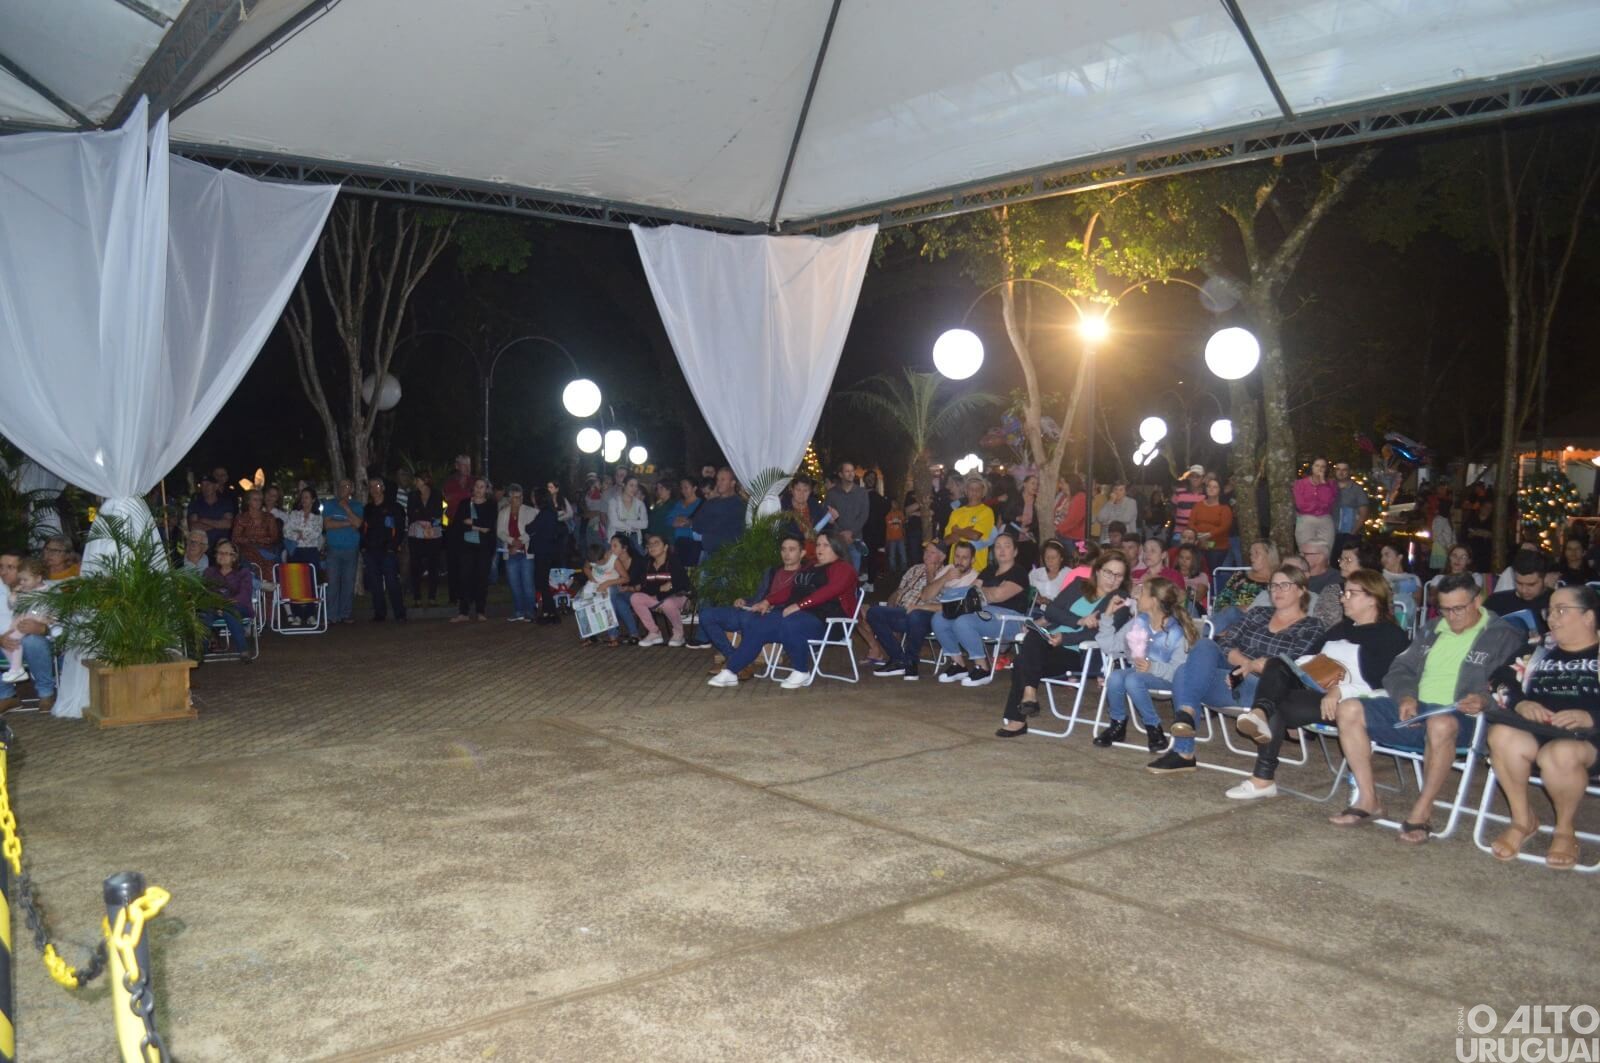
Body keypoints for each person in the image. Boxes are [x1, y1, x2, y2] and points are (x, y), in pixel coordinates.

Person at [1328, 573, 1523, 842]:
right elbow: (1399, 670)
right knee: (1348, 708)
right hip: (1416, 709)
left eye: (1459, 608)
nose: (1451, 616)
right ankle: (1368, 799)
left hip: (1464, 718)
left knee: (1440, 723)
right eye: (1445, 609)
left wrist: (1485, 701)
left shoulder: (1503, 635)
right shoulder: (1432, 629)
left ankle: (1422, 811)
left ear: (1477, 601)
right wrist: (1407, 697)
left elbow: (1514, 684)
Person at [1226, 568, 1411, 798]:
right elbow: (1304, 656)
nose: (1343, 599)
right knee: (1277, 665)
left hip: (1348, 702)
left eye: (1350, 594)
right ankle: (1260, 713)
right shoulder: (1341, 628)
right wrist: (1309, 669)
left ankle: (1263, 777)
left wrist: (1339, 690)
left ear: (1373, 598)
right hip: (1313, 688)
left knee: (1278, 702)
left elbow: (1384, 686)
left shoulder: (1391, 636)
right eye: (1344, 593)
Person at [1150, 565, 1324, 774]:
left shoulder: (1312, 626)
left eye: (1284, 585)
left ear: (1302, 590)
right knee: (1205, 645)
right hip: (1232, 672)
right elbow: (1226, 643)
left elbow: (1295, 663)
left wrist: (1253, 666)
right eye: (1273, 585)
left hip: (1266, 688)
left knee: (1183, 673)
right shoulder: (1258, 613)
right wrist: (1244, 663)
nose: (1276, 590)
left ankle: (1183, 750)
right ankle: (1186, 715)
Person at [1483, 585, 1600, 869]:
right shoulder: (1539, 648)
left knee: (1558, 755)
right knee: (1501, 735)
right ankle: (1523, 821)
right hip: (1538, 732)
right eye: (1550, 611)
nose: (1552, 618)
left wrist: (1591, 716)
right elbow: (1498, 679)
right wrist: (1520, 703)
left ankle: (1564, 830)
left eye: (1562, 610)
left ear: (1588, 617)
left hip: (1587, 741)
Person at [995, 552, 1130, 737]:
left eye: (1119, 575)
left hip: (1078, 654)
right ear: (1098, 571)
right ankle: (1029, 696)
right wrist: (1079, 620)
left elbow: (1101, 632)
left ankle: (1021, 713)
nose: (1112, 579)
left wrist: (1065, 639)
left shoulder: (1120, 601)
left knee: (1021, 661)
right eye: (1108, 572)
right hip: (1050, 644)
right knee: (1034, 636)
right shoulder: (1079, 586)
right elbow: (1051, 611)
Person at [708, 532, 858, 690]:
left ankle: (801, 670)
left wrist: (800, 605)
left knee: (790, 622)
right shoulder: (811, 567)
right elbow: (790, 590)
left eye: (825, 545)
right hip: (800, 617)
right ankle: (732, 670)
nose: (820, 548)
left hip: (829, 621)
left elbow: (830, 590)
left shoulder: (844, 568)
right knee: (758, 623)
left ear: (837, 547)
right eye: (818, 544)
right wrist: (767, 601)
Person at [1093, 577, 1199, 754]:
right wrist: (1108, 615)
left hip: (1167, 678)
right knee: (1116, 677)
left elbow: (1180, 672)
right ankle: (1117, 725)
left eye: (1142, 593)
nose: (1136, 596)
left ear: (1153, 601)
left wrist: (1152, 668)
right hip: (1141, 674)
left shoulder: (1175, 633)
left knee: (1133, 679)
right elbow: (1110, 646)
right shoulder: (1138, 622)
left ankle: (1154, 728)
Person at [701, 533, 818, 681]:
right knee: (707, 615)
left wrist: (772, 607)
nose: (786, 554)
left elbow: (798, 602)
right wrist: (744, 600)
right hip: (753, 610)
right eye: (783, 549)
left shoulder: (805, 576)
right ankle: (736, 660)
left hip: (774, 615)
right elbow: (760, 596)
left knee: (750, 621)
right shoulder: (772, 571)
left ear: (802, 553)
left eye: (792, 549)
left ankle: (735, 664)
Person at [931, 532, 1028, 687]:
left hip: (1010, 619)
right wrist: (983, 593)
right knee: (940, 618)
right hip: (984, 613)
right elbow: (970, 592)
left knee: (964, 621)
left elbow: (998, 596)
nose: (1001, 550)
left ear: (1015, 551)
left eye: (1007, 546)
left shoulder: (1019, 572)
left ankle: (982, 667)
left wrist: (981, 593)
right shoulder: (988, 570)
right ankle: (958, 665)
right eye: (997, 546)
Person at [865, 539, 962, 680]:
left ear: (942, 557)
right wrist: (891, 607)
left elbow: (930, 597)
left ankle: (911, 662)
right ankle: (898, 659)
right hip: (903, 612)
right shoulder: (915, 568)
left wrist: (930, 572)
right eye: (926, 551)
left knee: (916, 615)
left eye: (932, 552)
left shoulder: (947, 573)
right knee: (874, 612)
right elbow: (898, 592)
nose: (927, 555)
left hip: (928, 616)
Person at [0, 552, 56, 712]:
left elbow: (62, 622)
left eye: (10, 567)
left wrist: (42, 629)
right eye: (1, 567)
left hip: (34, 643)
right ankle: (6, 697)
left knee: (32, 641)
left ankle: (46, 694)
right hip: (5, 645)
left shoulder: (46, 590)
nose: (3, 571)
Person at [629, 533, 691, 647]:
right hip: (657, 599)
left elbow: (682, 584)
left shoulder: (673, 562)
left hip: (678, 598)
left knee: (667, 603)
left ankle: (679, 634)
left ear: (665, 547)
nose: (652, 547)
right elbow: (644, 587)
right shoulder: (646, 563)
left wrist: (661, 593)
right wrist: (660, 590)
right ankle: (654, 632)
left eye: (656, 543)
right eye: (649, 544)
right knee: (635, 598)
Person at [360, 477, 407, 623]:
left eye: (377, 485)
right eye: (371, 486)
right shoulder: (368, 508)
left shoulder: (394, 507)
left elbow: (399, 529)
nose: (374, 489)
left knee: (392, 582)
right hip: (371, 552)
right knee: (375, 584)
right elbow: (364, 529)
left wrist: (393, 547)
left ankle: (400, 613)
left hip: (388, 551)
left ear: (383, 487)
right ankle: (380, 613)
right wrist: (363, 547)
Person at [451, 478, 496, 623]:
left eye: (482, 487)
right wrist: (479, 526)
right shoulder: (464, 504)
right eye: (477, 486)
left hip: (484, 547)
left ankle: (480, 611)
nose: (478, 489)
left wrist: (472, 523)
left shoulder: (491, 504)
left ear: (487, 490)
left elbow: (488, 526)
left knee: (482, 579)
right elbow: (458, 524)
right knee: (464, 578)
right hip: (466, 547)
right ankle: (463, 612)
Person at [1211, 539, 1280, 631]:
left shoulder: (1278, 581)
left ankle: (1206, 633)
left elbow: (1276, 607)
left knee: (1232, 612)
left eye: (1257, 553)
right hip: (1226, 619)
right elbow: (1221, 601)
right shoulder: (1240, 575)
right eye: (1251, 554)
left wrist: (1245, 608)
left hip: (1254, 623)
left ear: (1270, 556)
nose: (1252, 557)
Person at [321, 478, 363, 625]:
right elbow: (328, 525)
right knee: (333, 583)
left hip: (351, 548)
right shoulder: (329, 504)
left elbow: (358, 523)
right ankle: (332, 615)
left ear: (351, 489)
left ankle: (345, 614)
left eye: (347, 486)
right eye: (341, 486)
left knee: (348, 582)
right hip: (334, 548)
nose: (344, 488)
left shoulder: (357, 505)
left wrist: (346, 509)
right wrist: (348, 522)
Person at [202, 541, 253, 660]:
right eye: (219, 553)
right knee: (203, 614)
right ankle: (201, 651)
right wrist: (218, 606)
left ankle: (243, 650)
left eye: (225, 553)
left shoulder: (243, 572)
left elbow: (244, 595)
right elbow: (206, 593)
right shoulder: (209, 572)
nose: (221, 556)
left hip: (239, 607)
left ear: (234, 557)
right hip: (214, 607)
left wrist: (224, 606)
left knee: (229, 611)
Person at [1484, 552, 1552, 636]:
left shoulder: (1556, 601)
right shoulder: (1496, 601)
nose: (1524, 590)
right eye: (1519, 583)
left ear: (1545, 579)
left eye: (1531, 584)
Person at [526, 483, 566, 625]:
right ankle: (549, 611)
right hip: (548, 550)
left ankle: (551, 612)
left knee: (542, 582)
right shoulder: (551, 512)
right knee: (543, 582)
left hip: (543, 551)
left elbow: (530, 528)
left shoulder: (545, 513)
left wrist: (528, 527)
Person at [497, 484, 538, 622]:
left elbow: (532, 530)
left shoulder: (530, 511)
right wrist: (511, 541)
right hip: (510, 553)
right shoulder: (503, 513)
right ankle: (519, 610)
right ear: (509, 498)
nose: (518, 500)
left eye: (520, 497)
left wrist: (520, 541)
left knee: (528, 583)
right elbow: (500, 532)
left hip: (526, 552)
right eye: (515, 497)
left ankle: (530, 611)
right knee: (514, 584)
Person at [943, 474, 998, 570]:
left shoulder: (986, 511)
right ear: (966, 491)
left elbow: (975, 536)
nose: (974, 492)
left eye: (978, 489)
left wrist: (957, 531)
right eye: (971, 489)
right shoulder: (956, 512)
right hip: (954, 567)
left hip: (976, 568)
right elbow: (947, 540)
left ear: (983, 493)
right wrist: (966, 532)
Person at [406, 473, 445, 606]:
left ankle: (432, 597)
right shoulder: (412, 495)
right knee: (415, 565)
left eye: (417, 479)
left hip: (433, 533)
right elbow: (411, 513)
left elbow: (439, 512)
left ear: (425, 480)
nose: (415, 482)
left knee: (433, 565)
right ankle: (417, 597)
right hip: (416, 534)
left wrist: (428, 522)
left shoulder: (437, 494)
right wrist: (423, 520)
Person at [441, 454, 475, 605]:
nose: (467, 468)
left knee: (470, 561)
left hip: (471, 525)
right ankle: (454, 596)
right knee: (453, 562)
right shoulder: (449, 483)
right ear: (457, 466)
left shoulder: (475, 482)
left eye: (469, 465)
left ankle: (469, 595)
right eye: (464, 465)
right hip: (453, 526)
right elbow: (444, 504)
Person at [691, 468, 745, 561]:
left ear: (732, 483)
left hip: (728, 557)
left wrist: (709, 526)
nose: (718, 483)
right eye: (718, 479)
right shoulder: (710, 503)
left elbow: (722, 526)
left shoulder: (738, 503)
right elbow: (696, 525)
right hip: (707, 554)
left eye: (723, 479)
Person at [828, 462, 870, 574]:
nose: (851, 474)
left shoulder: (862, 493)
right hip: (838, 540)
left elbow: (864, 514)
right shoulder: (832, 493)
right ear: (841, 474)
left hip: (855, 539)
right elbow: (828, 514)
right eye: (847, 471)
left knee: (854, 573)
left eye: (852, 471)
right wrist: (841, 533)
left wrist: (851, 532)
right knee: (837, 573)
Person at [230, 490, 279, 579]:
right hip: (246, 551)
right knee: (248, 565)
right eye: (255, 499)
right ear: (248, 501)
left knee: (271, 566)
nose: (258, 502)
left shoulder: (269, 517)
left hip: (266, 551)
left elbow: (274, 537)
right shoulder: (241, 518)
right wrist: (251, 540)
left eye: (260, 499)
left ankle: (269, 590)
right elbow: (235, 538)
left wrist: (259, 540)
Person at [1292, 457, 1337, 551]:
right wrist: (1318, 506)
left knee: (1325, 551)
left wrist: (1323, 484)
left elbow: (1329, 502)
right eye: (1317, 466)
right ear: (1312, 467)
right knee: (1305, 550)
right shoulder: (1300, 484)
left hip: (1325, 519)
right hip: (1306, 519)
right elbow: (1300, 505)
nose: (1319, 469)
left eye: (1323, 466)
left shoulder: (1331, 484)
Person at [1189, 476, 1233, 571]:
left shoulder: (1224, 508)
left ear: (1220, 490)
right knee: (1197, 571)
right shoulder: (1198, 505)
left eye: (1215, 487)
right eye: (1209, 486)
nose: (1211, 489)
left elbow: (1225, 527)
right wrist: (1198, 535)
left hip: (1217, 546)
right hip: (1199, 544)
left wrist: (1209, 535)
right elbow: (1191, 522)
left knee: (1212, 572)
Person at [1378, 541, 1422, 630]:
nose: (1383, 559)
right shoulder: (1379, 577)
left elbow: (1416, 601)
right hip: (1384, 614)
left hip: (1406, 615)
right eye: (1382, 555)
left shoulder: (1413, 578)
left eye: (1387, 555)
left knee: (1404, 599)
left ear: (1399, 557)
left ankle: (1399, 628)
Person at [781, 476, 827, 558]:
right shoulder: (784, 506)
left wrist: (830, 522)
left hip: (815, 555)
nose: (801, 494)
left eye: (805, 490)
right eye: (798, 490)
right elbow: (782, 530)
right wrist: (802, 535)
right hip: (793, 556)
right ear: (792, 490)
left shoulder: (814, 505)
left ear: (810, 491)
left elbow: (824, 529)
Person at [186, 477, 235, 549]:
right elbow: (193, 527)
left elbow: (228, 524)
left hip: (221, 547)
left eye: (208, 484)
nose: (205, 487)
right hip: (200, 547)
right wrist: (218, 524)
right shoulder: (195, 503)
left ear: (216, 486)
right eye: (202, 485)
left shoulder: (225, 503)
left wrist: (203, 520)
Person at [1332, 461, 1370, 549]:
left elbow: (1363, 514)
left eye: (1344, 470)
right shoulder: (1329, 487)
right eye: (1338, 469)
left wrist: (1352, 534)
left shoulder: (1357, 489)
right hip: (1330, 534)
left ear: (1349, 471)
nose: (1341, 472)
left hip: (1348, 535)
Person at [668, 476, 705, 565]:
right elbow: (668, 519)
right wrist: (675, 522)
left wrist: (683, 520)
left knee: (691, 568)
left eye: (686, 487)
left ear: (694, 488)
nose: (683, 490)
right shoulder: (679, 503)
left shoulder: (701, 503)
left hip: (694, 542)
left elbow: (700, 521)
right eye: (682, 488)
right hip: (679, 541)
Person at [607, 476, 649, 549]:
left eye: (636, 486)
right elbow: (614, 522)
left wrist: (625, 521)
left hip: (634, 537)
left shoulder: (640, 504)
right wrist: (632, 527)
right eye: (631, 485)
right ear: (624, 485)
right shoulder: (614, 502)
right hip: (616, 537)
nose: (634, 489)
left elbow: (644, 524)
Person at [1028, 539, 1073, 607]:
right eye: (1047, 557)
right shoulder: (1035, 573)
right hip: (1036, 610)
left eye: (1053, 557)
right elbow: (1028, 593)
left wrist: (1049, 602)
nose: (1050, 561)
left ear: (1061, 558)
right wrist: (1035, 597)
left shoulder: (1069, 574)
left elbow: (1070, 600)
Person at [1170, 466, 1206, 537]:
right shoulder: (1179, 492)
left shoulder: (1207, 495)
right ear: (1189, 478)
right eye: (1192, 476)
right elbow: (1172, 508)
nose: (1195, 479)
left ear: (1203, 478)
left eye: (1198, 476)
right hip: (1179, 533)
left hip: (1199, 534)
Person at [1173, 544, 1209, 615]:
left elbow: (1198, 597)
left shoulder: (1202, 576)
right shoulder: (1172, 574)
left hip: (1192, 607)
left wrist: (1182, 594)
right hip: (1173, 606)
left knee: (1186, 603)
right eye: (1181, 557)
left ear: (1194, 561)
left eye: (1188, 558)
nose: (1183, 561)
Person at [1053, 475, 1087, 543]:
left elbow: (1073, 520)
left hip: (1076, 539)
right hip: (1063, 535)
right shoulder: (1064, 496)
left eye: (1062, 483)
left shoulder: (1081, 497)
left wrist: (1058, 529)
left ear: (1070, 484)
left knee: (1080, 553)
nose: (1060, 485)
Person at [884, 495, 907, 572]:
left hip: (900, 538)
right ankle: (893, 570)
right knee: (892, 556)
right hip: (891, 539)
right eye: (893, 503)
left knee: (903, 554)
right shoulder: (887, 515)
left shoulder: (900, 513)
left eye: (896, 503)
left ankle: (903, 569)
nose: (895, 505)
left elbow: (903, 522)